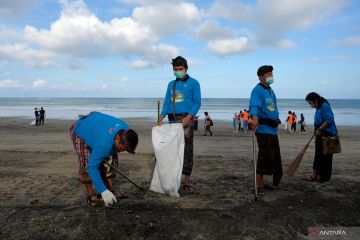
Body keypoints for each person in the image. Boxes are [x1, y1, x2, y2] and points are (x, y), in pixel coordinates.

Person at [69, 111, 139, 207]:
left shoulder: (125, 129)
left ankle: (109, 190)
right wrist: (103, 191)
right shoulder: (103, 145)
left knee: (112, 161)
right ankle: (91, 195)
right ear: (118, 138)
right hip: (80, 130)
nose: (124, 151)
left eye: (127, 149)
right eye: (124, 148)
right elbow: (92, 167)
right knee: (87, 162)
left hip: (97, 128)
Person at [159, 56, 201, 193]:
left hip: (186, 120)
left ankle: (186, 183)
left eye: (180, 69)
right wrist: (161, 117)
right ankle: (173, 180)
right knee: (172, 151)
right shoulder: (171, 84)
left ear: (186, 68)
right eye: (175, 69)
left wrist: (189, 117)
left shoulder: (194, 83)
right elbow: (166, 103)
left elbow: (197, 103)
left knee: (187, 151)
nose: (178, 71)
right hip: (172, 121)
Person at [249, 65, 282, 195]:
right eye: (268, 74)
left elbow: (272, 107)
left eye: (271, 74)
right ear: (261, 77)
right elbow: (254, 105)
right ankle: (258, 183)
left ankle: (263, 182)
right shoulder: (257, 90)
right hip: (263, 129)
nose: (271, 76)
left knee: (272, 156)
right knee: (264, 155)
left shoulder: (270, 90)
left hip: (272, 129)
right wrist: (255, 118)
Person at [303, 92, 337, 183]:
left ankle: (323, 178)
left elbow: (329, 120)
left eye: (310, 103)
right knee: (318, 155)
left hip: (327, 134)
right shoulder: (319, 107)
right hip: (320, 133)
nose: (310, 105)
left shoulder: (324, 106)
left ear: (315, 100)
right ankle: (315, 175)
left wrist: (320, 129)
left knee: (325, 156)